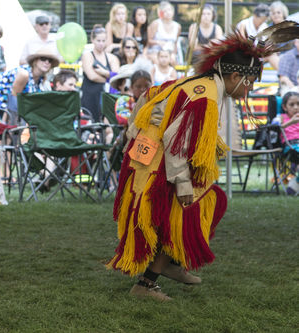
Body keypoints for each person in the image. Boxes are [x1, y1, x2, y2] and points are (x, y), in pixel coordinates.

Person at [107, 28, 287, 301]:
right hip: (158, 163)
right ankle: (146, 284)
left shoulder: (193, 84)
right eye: (249, 82)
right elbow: (176, 139)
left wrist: (138, 135)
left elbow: (148, 100)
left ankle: (171, 265)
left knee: (195, 206)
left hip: (147, 157)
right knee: (193, 207)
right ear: (235, 76)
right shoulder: (204, 97)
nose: (249, 89)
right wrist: (182, 181)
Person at [0, 47, 60, 119]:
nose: (47, 62)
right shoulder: (24, 74)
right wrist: (5, 122)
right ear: (35, 61)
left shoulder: (41, 81)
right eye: (43, 59)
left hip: (0, 104)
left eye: (50, 60)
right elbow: (13, 100)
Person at [81, 25, 120, 122]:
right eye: (98, 41)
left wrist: (104, 72)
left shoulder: (112, 58)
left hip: (107, 97)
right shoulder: (87, 55)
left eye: (103, 41)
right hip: (91, 96)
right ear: (92, 40)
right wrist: (109, 77)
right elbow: (92, 76)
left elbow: (117, 77)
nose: (101, 44)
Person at [277, 91, 299, 194]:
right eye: (292, 104)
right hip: (290, 147)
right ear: (285, 107)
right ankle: (294, 185)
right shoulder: (280, 117)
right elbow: (274, 127)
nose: (296, 107)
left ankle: (295, 184)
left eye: (298, 104)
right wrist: (291, 122)